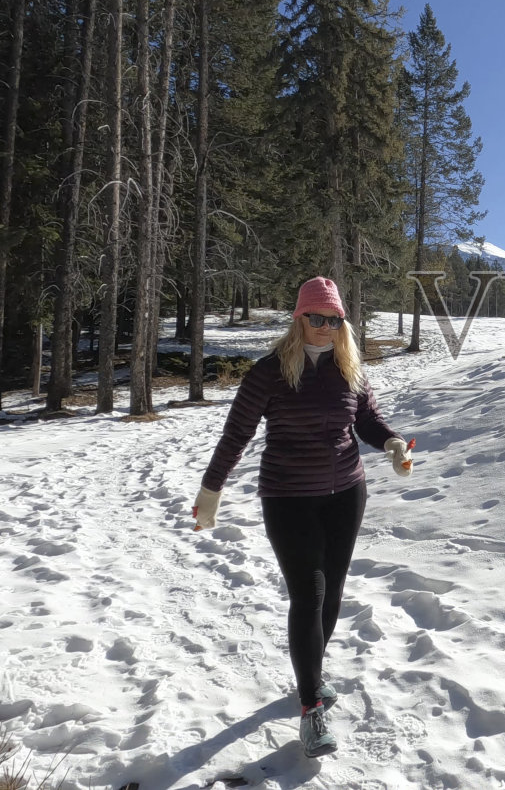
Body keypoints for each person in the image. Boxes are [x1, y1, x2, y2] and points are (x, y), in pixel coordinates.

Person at [192, 276, 412, 758]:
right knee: (308, 595)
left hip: (346, 494)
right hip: (289, 496)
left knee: (331, 593)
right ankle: (312, 707)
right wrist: (212, 490)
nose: (325, 328)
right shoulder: (270, 371)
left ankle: (309, 673)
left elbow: (367, 419)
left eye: (334, 320)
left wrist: (393, 442)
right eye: (317, 318)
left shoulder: (348, 368)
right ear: (299, 318)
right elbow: (236, 435)